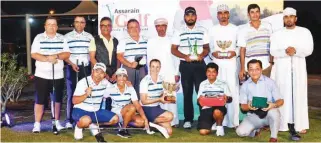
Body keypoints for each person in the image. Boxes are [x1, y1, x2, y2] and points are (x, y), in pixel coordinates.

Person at [270, 7, 313, 138]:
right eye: (286, 17)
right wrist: (285, 52)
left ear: (296, 18)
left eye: (291, 17)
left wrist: (296, 51)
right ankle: (282, 124)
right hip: (282, 70)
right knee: (283, 95)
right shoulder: (277, 34)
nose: (288, 19)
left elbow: (309, 49)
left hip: (299, 69)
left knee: (298, 96)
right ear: (283, 19)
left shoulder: (304, 32)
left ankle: (299, 124)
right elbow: (272, 51)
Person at [171, 6, 209, 129]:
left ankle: (204, 118)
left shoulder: (203, 30)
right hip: (185, 65)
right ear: (184, 17)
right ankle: (188, 119)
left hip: (199, 65)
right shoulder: (178, 31)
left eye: (193, 15)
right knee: (187, 93)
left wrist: (202, 55)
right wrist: (184, 56)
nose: (190, 17)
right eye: (188, 15)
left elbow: (207, 48)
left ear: (196, 17)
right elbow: (173, 50)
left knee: (201, 92)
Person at [31, 16, 70, 133]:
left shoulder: (62, 38)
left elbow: (67, 53)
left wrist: (57, 56)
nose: (52, 26)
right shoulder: (39, 38)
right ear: (45, 26)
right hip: (41, 75)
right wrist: (48, 59)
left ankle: (56, 122)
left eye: (54, 24)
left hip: (57, 75)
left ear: (57, 27)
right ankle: (37, 124)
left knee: (57, 100)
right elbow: (34, 54)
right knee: (40, 100)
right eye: (49, 24)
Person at [236, 59, 284, 142]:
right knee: (240, 132)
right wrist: (249, 106)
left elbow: (281, 100)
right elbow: (243, 107)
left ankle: (273, 137)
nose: (254, 72)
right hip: (253, 116)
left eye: (257, 69)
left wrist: (273, 105)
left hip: (268, 113)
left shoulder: (270, 82)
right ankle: (255, 130)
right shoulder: (245, 85)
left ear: (261, 69)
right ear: (248, 71)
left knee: (274, 112)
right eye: (251, 69)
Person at [208, 4, 239, 128]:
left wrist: (234, 52)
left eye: (225, 13)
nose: (223, 15)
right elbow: (209, 47)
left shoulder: (235, 29)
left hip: (231, 64)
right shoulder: (212, 29)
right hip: (217, 64)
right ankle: (219, 120)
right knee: (218, 91)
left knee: (232, 91)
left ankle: (234, 121)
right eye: (220, 13)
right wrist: (213, 53)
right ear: (217, 15)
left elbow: (239, 46)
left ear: (229, 15)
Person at [72, 63, 119, 142]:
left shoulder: (105, 83)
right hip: (80, 109)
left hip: (95, 111)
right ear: (92, 71)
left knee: (115, 119)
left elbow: (115, 90)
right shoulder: (83, 82)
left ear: (104, 75)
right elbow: (74, 101)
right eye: (97, 71)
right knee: (86, 120)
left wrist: (126, 85)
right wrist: (86, 94)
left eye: (101, 73)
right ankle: (78, 127)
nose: (99, 75)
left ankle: (92, 125)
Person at [147, 17, 180, 127]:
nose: (161, 28)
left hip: (170, 72)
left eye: (163, 26)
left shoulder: (172, 40)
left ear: (166, 27)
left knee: (170, 96)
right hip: (156, 73)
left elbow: (176, 58)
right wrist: (150, 74)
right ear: (156, 28)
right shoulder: (151, 41)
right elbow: (149, 59)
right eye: (158, 26)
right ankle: (160, 120)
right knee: (158, 96)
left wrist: (176, 73)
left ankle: (173, 120)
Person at [64, 16, 94, 129]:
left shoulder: (89, 37)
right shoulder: (67, 37)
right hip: (72, 67)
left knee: (85, 92)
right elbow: (64, 54)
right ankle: (69, 120)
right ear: (74, 23)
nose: (79, 24)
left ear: (85, 24)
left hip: (85, 68)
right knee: (71, 93)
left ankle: (83, 118)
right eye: (77, 22)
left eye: (82, 22)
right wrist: (72, 64)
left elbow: (91, 55)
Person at [103, 68, 149, 138]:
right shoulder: (110, 88)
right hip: (117, 114)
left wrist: (145, 119)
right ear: (116, 77)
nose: (122, 78)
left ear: (126, 78)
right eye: (120, 75)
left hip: (128, 113)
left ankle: (123, 124)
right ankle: (123, 129)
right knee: (132, 107)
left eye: (124, 76)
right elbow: (102, 98)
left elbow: (137, 105)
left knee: (141, 122)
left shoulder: (130, 88)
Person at [238, 4, 274, 81]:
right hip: (251, 67)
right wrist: (242, 68)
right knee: (252, 91)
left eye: (257, 12)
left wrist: (271, 63)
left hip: (266, 66)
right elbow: (242, 50)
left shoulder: (268, 26)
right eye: (252, 12)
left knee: (265, 91)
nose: (255, 14)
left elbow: (272, 45)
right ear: (248, 14)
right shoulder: (243, 30)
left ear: (259, 13)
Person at [140, 59, 174, 138]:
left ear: (160, 68)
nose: (155, 69)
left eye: (157, 67)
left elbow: (163, 94)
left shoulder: (161, 79)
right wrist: (159, 99)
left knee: (169, 132)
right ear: (150, 67)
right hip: (147, 108)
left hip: (156, 107)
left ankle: (152, 125)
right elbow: (143, 101)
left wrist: (168, 97)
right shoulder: (145, 81)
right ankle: (149, 122)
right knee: (170, 116)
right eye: (153, 67)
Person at [197, 62, 232, 136]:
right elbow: (198, 100)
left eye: (213, 72)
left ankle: (219, 127)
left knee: (217, 112)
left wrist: (227, 98)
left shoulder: (223, 83)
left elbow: (230, 99)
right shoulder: (202, 84)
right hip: (206, 109)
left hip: (219, 108)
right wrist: (199, 99)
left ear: (217, 73)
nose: (211, 74)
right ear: (206, 73)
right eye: (209, 71)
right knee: (203, 132)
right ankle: (212, 123)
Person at [117, 19, 148, 94]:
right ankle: (130, 105)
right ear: (127, 30)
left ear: (140, 28)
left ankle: (140, 105)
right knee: (129, 90)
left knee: (142, 90)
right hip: (128, 69)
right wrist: (130, 65)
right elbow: (119, 56)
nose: (134, 29)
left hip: (142, 69)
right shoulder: (123, 41)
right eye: (131, 27)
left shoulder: (146, 40)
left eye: (136, 27)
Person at [89, 17, 120, 84]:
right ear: (100, 27)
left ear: (111, 27)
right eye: (103, 25)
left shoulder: (116, 40)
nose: (106, 27)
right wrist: (103, 73)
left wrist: (117, 73)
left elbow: (118, 58)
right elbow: (92, 58)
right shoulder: (94, 40)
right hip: (99, 75)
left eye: (108, 25)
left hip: (114, 75)